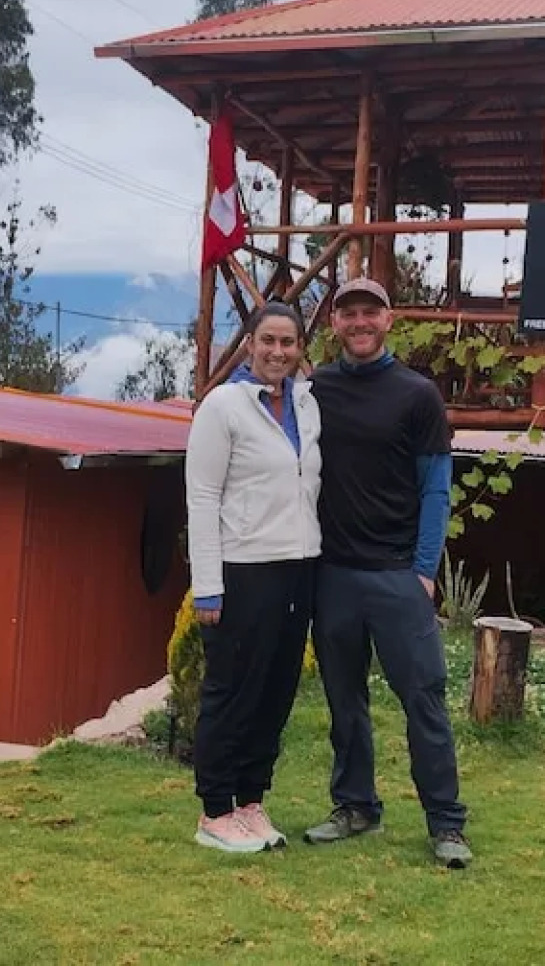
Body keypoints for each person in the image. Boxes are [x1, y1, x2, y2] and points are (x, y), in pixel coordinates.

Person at [302, 276, 472, 868]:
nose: (359, 323)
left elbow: (437, 489)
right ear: (334, 325)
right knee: (344, 702)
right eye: (348, 314)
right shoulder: (314, 389)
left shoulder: (418, 395)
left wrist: (424, 571)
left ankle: (446, 825)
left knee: (423, 698)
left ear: (389, 319)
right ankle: (355, 807)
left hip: (398, 575)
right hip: (335, 576)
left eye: (369, 313)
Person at [183, 301, 323, 853]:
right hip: (243, 570)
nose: (278, 352)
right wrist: (208, 584)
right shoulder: (223, 407)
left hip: (299, 567)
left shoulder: (307, 406)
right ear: (248, 344)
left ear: (299, 349)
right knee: (233, 691)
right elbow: (202, 496)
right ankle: (215, 810)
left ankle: (251, 799)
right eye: (268, 341)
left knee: (275, 692)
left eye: (288, 343)